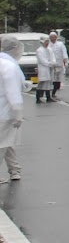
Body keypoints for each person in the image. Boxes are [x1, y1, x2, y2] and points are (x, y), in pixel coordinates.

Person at [0, 37, 24, 181]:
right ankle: (14, 170)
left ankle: (14, 169)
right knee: (3, 143)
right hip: (4, 112)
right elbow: (12, 92)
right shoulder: (9, 66)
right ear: (14, 48)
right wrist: (18, 114)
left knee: (8, 141)